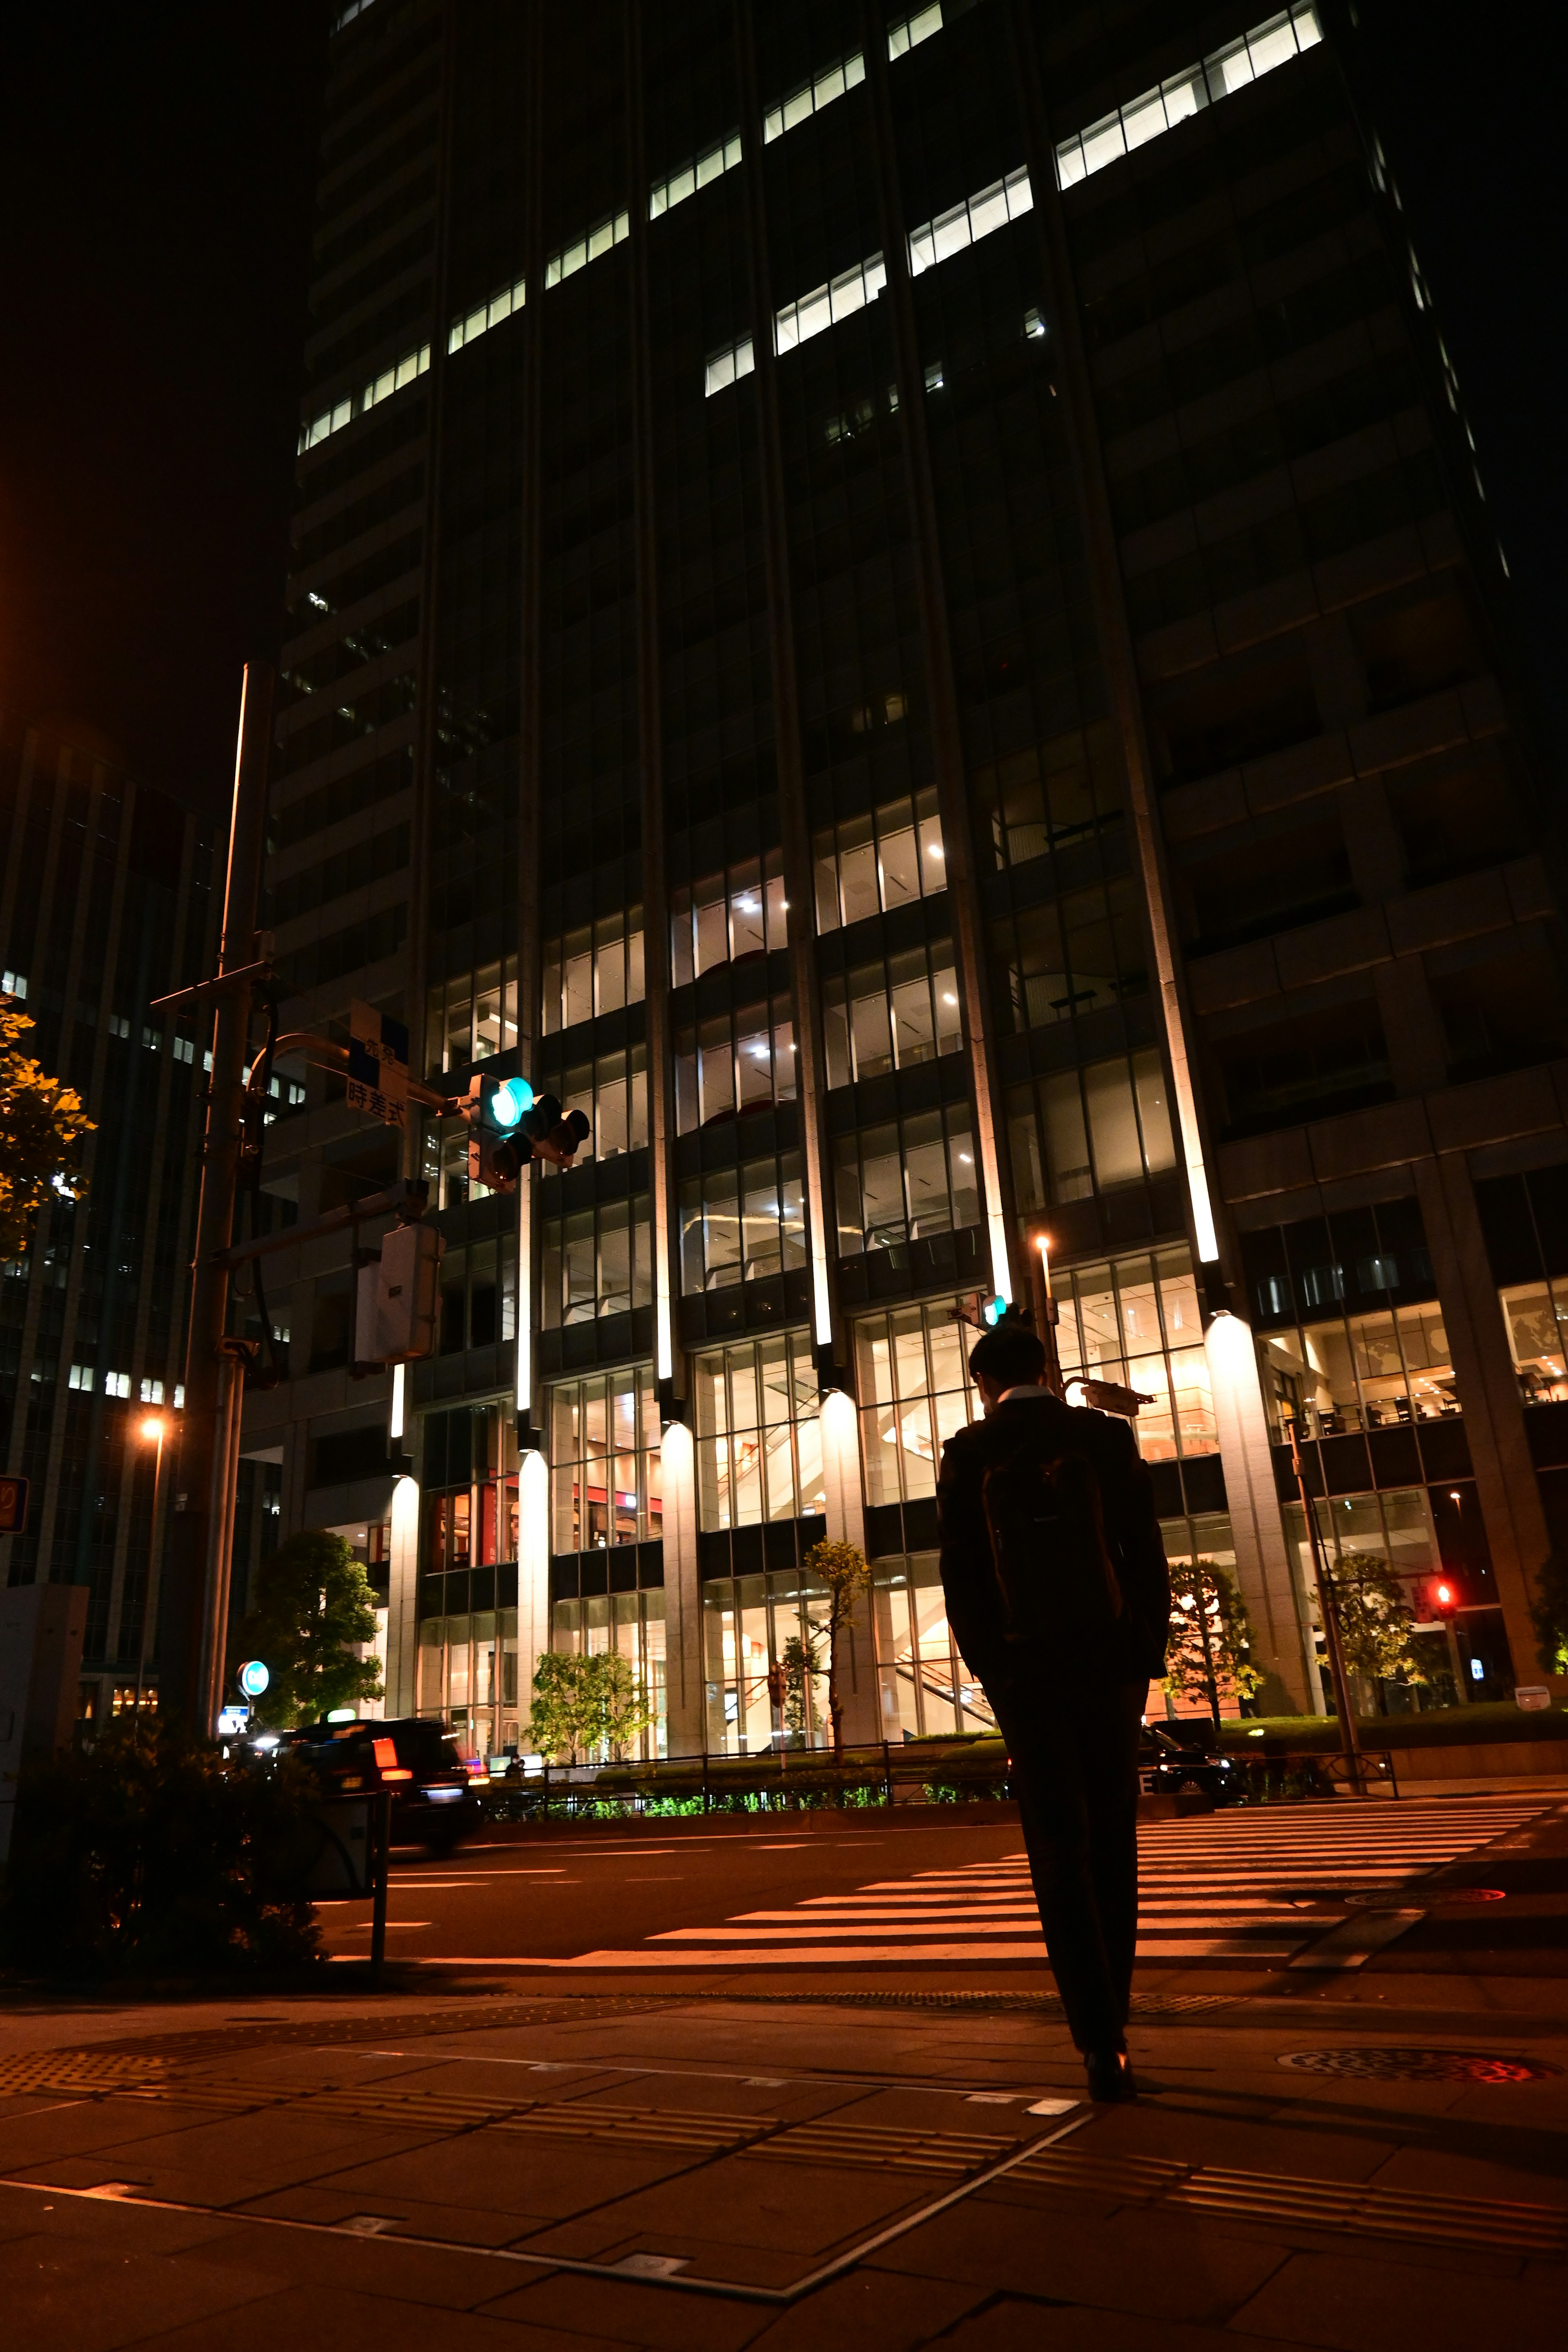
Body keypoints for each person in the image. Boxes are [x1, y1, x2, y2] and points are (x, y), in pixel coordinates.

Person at [936, 1316, 1171, 2102]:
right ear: (1046, 1366)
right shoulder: (1104, 1439)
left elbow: (963, 1583)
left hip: (1027, 1677)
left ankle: (1098, 2043)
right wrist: (1141, 1651)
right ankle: (1120, 2022)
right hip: (1109, 1669)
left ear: (984, 1384)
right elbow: (1146, 1554)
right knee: (1113, 1843)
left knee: (1057, 1853)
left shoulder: (970, 1454)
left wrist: (999, 1676)